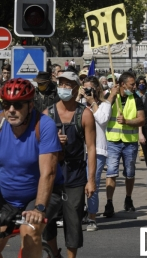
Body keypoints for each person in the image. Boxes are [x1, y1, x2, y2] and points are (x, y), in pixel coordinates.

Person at [0, 78, 63, 258]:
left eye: (18, 105)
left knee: (29, 232)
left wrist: (39, 208)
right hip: (7, 197)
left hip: (41, 194)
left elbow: (48, 173)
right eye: (6, 104)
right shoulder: (0, 124)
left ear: (30, 105)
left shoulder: (44, 125)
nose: (11, 110)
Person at [43, 70, 96, 258]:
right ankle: (54, 254)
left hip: (75, 173)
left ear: (76, 88)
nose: (64, 88)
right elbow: (39, 148)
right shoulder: (47, 114)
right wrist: (54, 142)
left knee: (73, 219)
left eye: (68, 84)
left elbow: (91, 148)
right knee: (46, 218)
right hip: (52, 173)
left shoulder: (85, 114)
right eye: (61, 84)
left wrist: (91, 180)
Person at [103, 72, 145, 217]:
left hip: (130, 143)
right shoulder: (111, 96)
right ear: (122, 84)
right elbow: (102, 112)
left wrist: (127, 121)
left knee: (130, 173)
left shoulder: (136, 99)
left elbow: (141, 120)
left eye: (134, 84)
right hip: (113, 140)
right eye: (131, 84)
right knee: (111, 172)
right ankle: (109, 202)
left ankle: (128, 198)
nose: (135, 87)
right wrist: (111, 96)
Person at [81, 76, 116, 231]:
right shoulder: (79, 104)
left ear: (97, 89)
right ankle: (79, 213)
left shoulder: (105, 104)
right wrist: (79, 97)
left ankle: (92, 217)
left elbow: (102, 119)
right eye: (85, 88)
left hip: (98, 150)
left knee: (92, 183)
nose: (88, 91)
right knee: (77, 185)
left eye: (90, 88)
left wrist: (92, 103)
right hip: (79, 150)